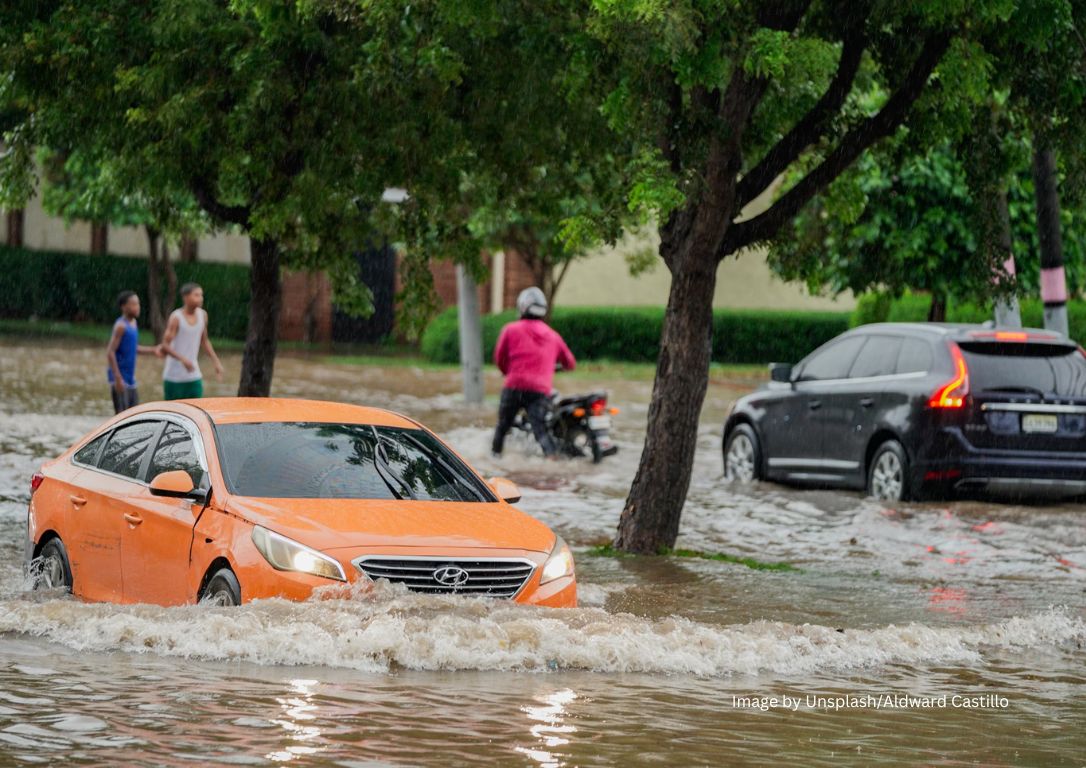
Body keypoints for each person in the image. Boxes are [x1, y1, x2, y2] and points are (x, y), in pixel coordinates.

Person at [492, 287, 576, 458]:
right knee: (541, 430)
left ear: (522, 307)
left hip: (514, 386)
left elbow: (499, 358)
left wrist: (507, 371)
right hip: (540, 391)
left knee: (502, 426)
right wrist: (553, 368)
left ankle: (495, 457)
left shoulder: (510, 329)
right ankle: (552, 458)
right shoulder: (553, 335)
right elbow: (570, 363)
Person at [161, 282, 224, 400]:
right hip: (174, 377)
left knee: (196, 411)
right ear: (185, 297)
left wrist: (216, 362)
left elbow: (204, 341)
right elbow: (164, 345)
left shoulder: (203, 315)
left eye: (201, 295)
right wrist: (183, 359)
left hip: (194, 376)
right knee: (174, 413)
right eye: (196, 295)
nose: (201, 298)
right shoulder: (176, 318)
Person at [106, 291, 161, 414]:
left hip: (130, 378)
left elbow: (133, 348)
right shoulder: (121, 326)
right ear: (124, 307)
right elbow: (110, 352)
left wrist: (153, 350)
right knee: (121, 416)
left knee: (133, 414)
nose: (137, 307)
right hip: (120, 378)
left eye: (138, 304)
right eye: (134, 304)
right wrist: (118, 378)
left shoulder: (133, 323)